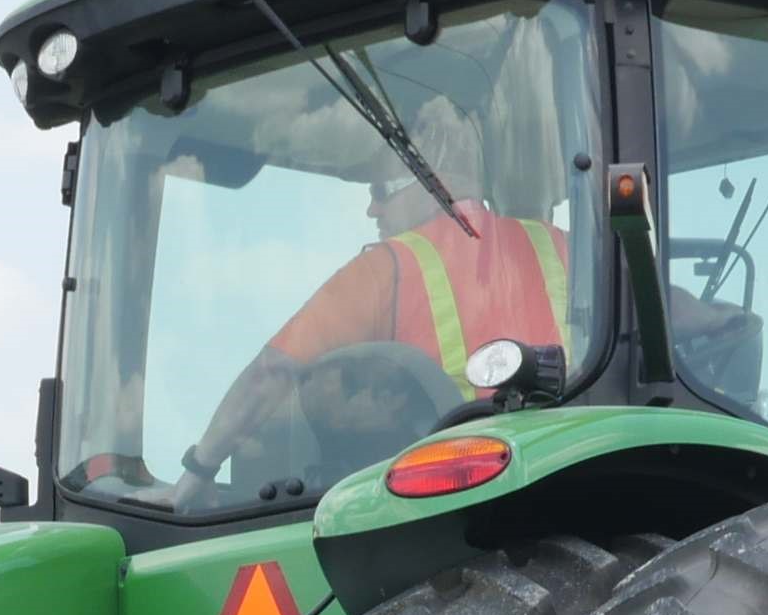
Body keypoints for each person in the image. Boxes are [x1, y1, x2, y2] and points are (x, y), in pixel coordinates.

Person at [184, 93, 570, 485]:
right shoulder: (562, 246)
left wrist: (197, 473)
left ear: (433, 181)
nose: (373, 209)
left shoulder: (390, 266)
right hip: (573, 463)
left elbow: (269, 376)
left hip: (465, 486)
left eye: (382, 189)